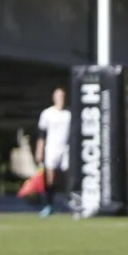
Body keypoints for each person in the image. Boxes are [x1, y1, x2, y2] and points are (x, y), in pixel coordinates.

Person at [34, 87, 71, 217]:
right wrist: (39, 150)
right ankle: (49, 205)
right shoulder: (47, 114)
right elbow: (41, 134)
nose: (62, 99)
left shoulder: (69, 114)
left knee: (68, 176)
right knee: (50, 177)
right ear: (54, 98)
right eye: (59, 97)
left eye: (63, 96)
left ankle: (71, 203)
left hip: (66, 149)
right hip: (52, 148)